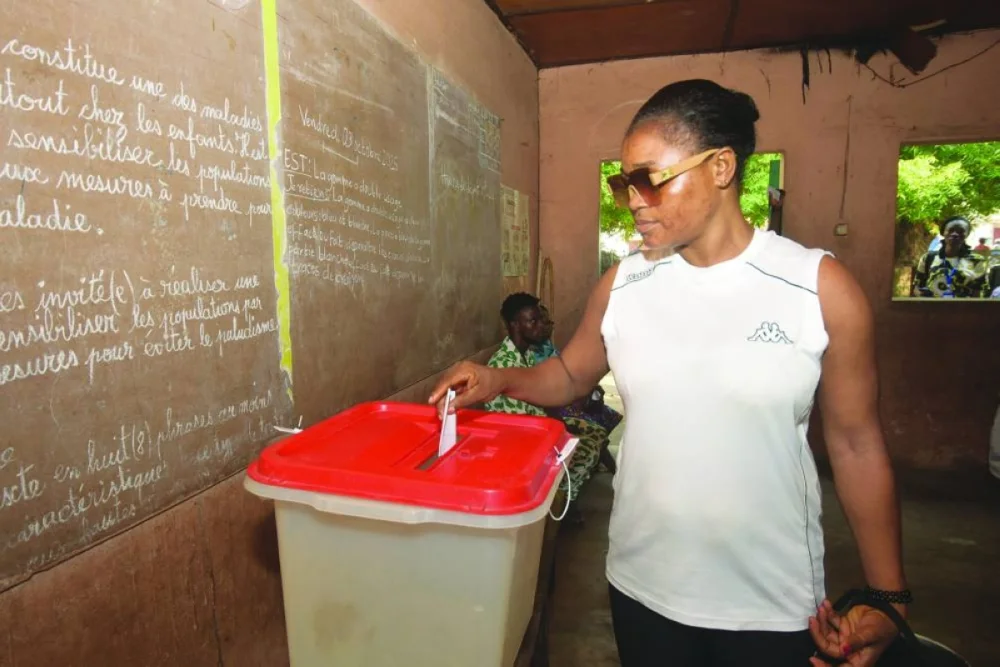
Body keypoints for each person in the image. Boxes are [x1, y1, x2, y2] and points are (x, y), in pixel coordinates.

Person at [431, 79, 908, 667]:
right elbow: (569, 375)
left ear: (722, 167)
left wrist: (890, 599)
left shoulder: (817, 288)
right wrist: (497, 379)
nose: (632, 200)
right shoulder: (625, 285)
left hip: (771, 605)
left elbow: (857, 445)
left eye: (648, 179)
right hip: (643, 591)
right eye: (622, 182)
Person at [483, 292, 601, 524]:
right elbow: (527, 425)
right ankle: (555, 508)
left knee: (593, 433)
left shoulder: (527, 354)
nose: (540, 327)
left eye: (540, 320)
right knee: (582, 444)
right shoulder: (503, 365)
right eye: (532, 321)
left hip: (539, 429)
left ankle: (561, 502)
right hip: (520, 443)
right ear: (515, 325)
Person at [534, 304, 622, 473]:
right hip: (557, 404)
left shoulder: (547, 347)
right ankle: (609, 467)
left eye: (547, 322)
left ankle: (602, 461)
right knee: (593, 425)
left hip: (565, 397)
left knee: (601, 410)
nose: (545, 327)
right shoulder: (531, 356)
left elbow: (568, 372)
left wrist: (591, 388)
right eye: (539, 322)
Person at [911, 217, 988, 298]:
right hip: (933, 309)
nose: (955, 234)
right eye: (951, 230)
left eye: (961, 231)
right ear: (943, 232)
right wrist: (923, 295)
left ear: (967, 234)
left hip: (963, 309)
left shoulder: (977, 261)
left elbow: (978, 294)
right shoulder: (928, 258)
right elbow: (917, 288)